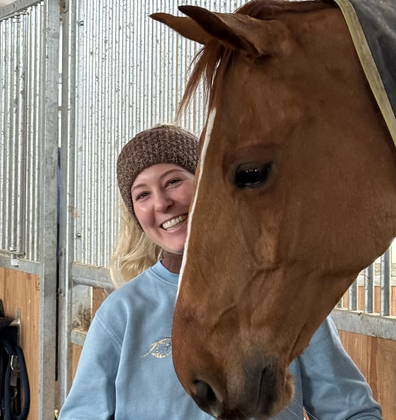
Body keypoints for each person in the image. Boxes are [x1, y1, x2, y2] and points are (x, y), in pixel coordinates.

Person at [58, 125, 382, 419]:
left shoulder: (283, 295)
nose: (161, 203)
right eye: (142, 194)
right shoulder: (122, 314)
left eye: (173, 181)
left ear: (208, 186)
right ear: (135, 214)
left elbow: (354, 412)